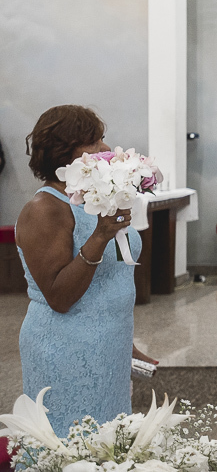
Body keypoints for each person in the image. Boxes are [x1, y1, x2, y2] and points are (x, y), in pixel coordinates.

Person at [15, 105, 151, 436]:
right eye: (94, 141)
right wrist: (101, 234)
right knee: (69, 444)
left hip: (110, 344)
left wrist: (126, 342)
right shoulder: (45, 209)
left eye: (103, 139)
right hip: (65, 348)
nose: (105, 149)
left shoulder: (97, 200)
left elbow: (115, 277)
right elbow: (60, 296)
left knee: (109, 444)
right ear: (65, 150)